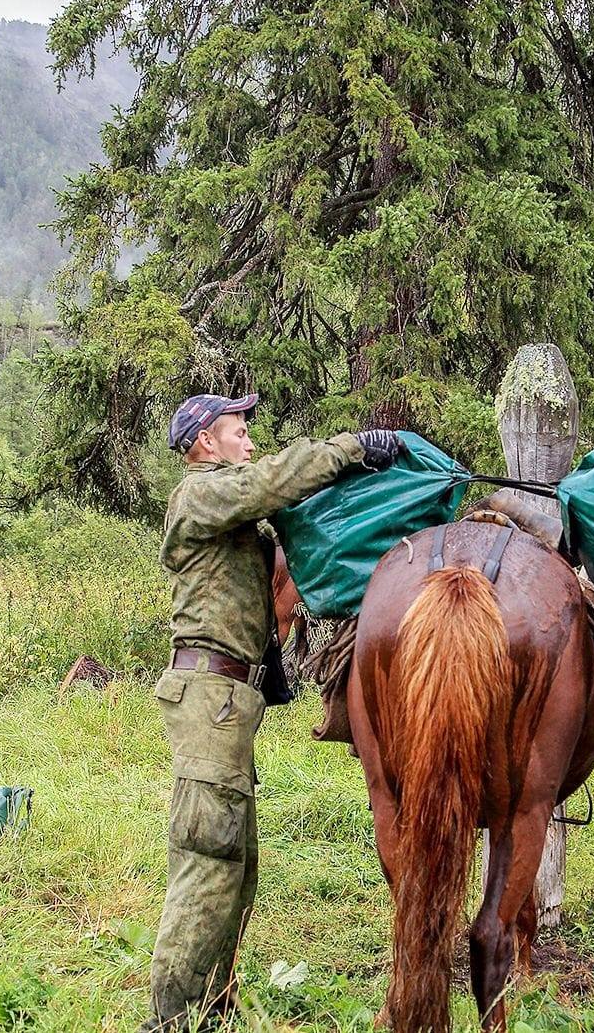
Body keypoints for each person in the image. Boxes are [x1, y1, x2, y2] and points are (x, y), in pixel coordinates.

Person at [145, 392, 402, 1031]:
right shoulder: (202, 494)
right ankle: (173, 1018)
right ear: (205, 444)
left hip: (229, 700)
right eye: (238, 432)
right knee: (209, 856)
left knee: (236, 863)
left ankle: (212, 1006)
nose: (249, 442)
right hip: (209, 699)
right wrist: (350, 448)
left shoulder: (229, 513)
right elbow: (272, 481)